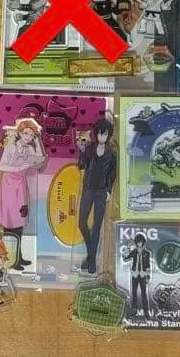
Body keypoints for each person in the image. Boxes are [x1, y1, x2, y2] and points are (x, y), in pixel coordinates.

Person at [0, 118, 46, 271]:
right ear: (19, 133)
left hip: (20, 186)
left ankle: (19, 256)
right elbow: (2, 166)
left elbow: (39, 160)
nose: (27, 137)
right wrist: (20, 168)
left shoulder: (29, 148)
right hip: (9, 186)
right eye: (25, 133)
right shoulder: (11, 146)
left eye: (31, 135)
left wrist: (37, 141)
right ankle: (9, 257)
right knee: (9, 222)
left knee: (20, 220)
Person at [77, 116, 116, 275]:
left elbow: (112, 174)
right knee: (82, 223)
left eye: (105, 134)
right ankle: (91, 255)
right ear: (95, 133)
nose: (102, 136)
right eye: (100, 133)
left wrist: (109, 191)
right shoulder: (89, 148)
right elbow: (81, 166)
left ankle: (91, 261)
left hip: (101, 191)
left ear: (108, 135)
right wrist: (81, 151)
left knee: (97, 227)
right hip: (88, 189)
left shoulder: (111, 153)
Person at [121, 233, 152, 317]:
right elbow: (125, 258)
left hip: (142, 275)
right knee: (134, 292)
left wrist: (148, 276)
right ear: (136, 242)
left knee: (144, 293)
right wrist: (128, 247)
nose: (139, 243)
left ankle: (146, 311)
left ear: (143, 242)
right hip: (134, 274)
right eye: (138, 242)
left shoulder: (147, 253)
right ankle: (134, 310)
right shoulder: (134, 251)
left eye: (140, 242)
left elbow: (148, 265)